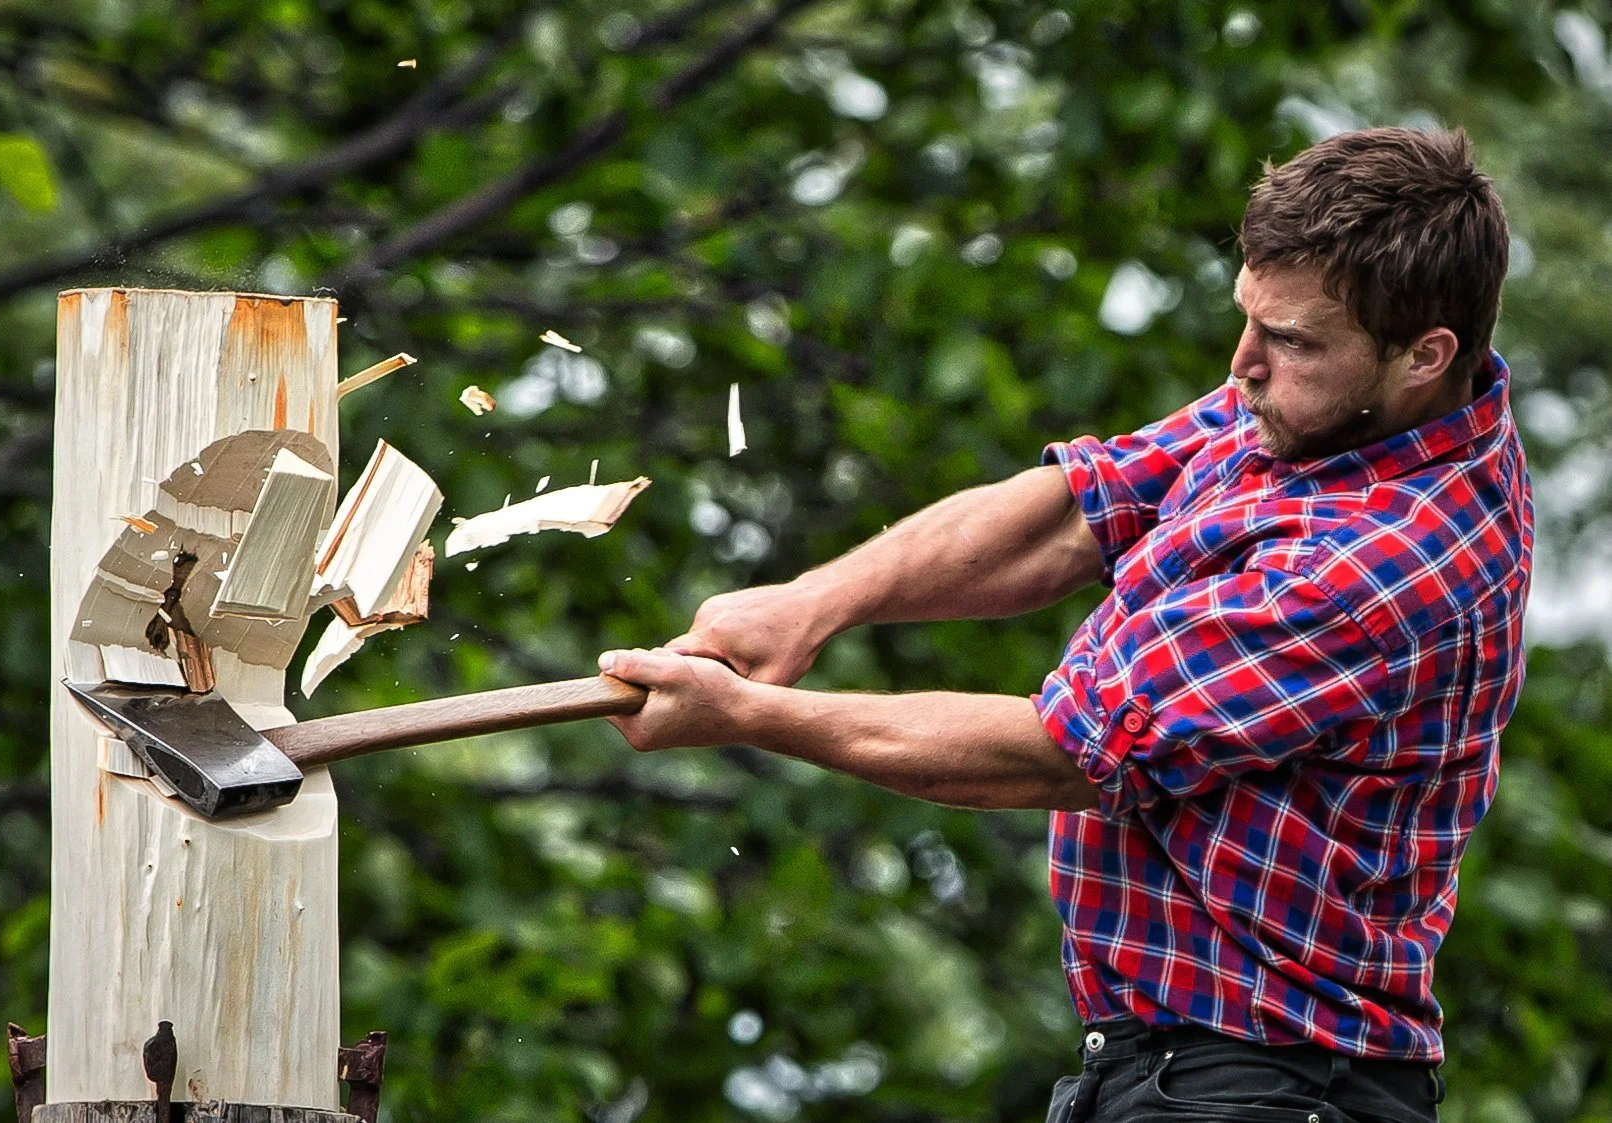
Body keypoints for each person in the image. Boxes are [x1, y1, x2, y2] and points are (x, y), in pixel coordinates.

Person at [598, 126, 1530, 1122]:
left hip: (1272, 1084)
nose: (1242, 363)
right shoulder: (1315, 410)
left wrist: (749, 715)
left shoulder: (1373, 562)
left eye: (1291, 340)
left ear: (1424, 355)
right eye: (1249, 319)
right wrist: (813, 603)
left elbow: (1062, 752)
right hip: (1176, 1068)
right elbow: (1070, 512)